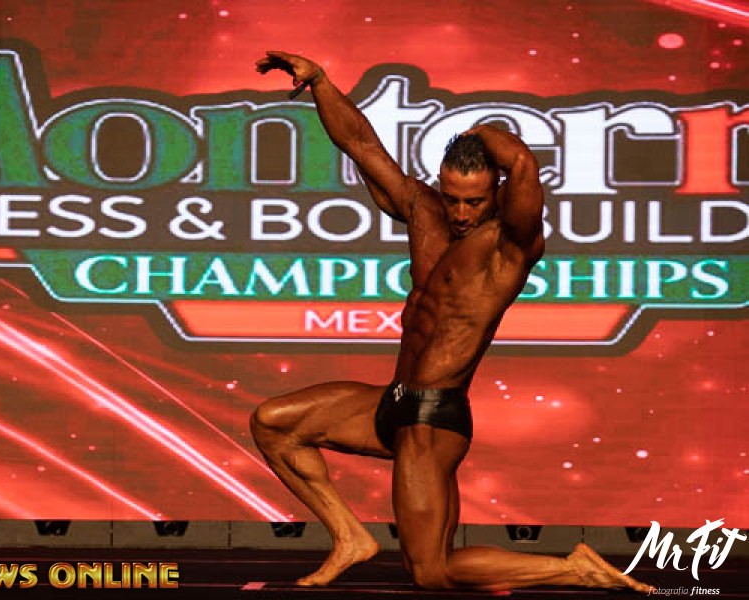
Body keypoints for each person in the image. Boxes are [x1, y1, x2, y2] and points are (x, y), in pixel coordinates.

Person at [250, 50, 653, 594]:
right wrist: (320, 80)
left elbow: (524, 165)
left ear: (497, 194)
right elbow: (360, 144)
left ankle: (572, 568)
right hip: (393, 401)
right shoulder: (424, 211)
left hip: (432, 418)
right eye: (453, 198)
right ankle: (349, 537)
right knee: (273, 423)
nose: (461, 213)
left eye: (475, 201)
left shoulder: (510, 244)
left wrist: (481, 132)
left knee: (431, 571)